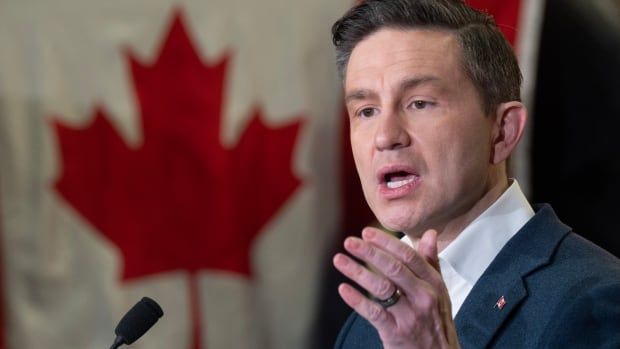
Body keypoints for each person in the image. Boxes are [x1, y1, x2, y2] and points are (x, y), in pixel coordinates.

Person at [330, 0, 620, 348]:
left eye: (419, 103)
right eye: (366, 111)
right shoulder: (364, 325)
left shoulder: (597, 301)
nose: (385, 136)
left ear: (502, 131)